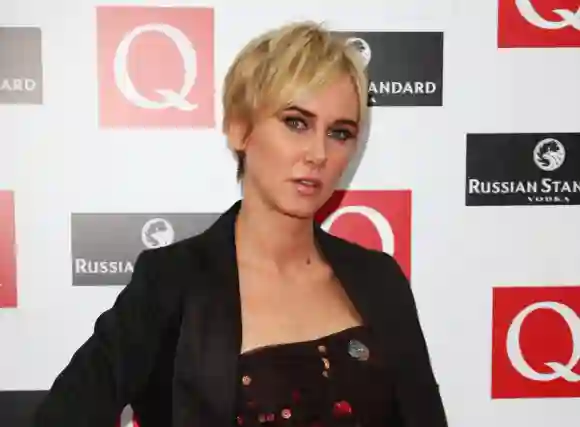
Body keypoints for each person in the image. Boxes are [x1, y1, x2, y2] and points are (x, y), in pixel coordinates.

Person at [33, 21, 447, 427]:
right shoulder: (170, 283)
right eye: (296, 123)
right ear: (239, 129)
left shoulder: (379, 279)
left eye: (339, 132)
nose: (318, 153)